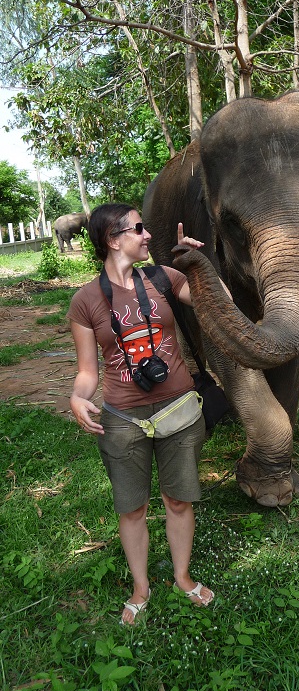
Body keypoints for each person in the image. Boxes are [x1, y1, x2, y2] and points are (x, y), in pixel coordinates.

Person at [68, 203, 224, 624]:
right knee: (132, 508)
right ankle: (141, 587)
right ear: (113, 239)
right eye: (139, 229)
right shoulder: (85, 301)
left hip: (178, 410)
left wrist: (196, 265)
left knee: (178, 499)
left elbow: (217, 305)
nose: (148, 235)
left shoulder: (163, 277)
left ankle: (183, 578)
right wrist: (78, 397)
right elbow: (87, 372)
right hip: (122, 420)